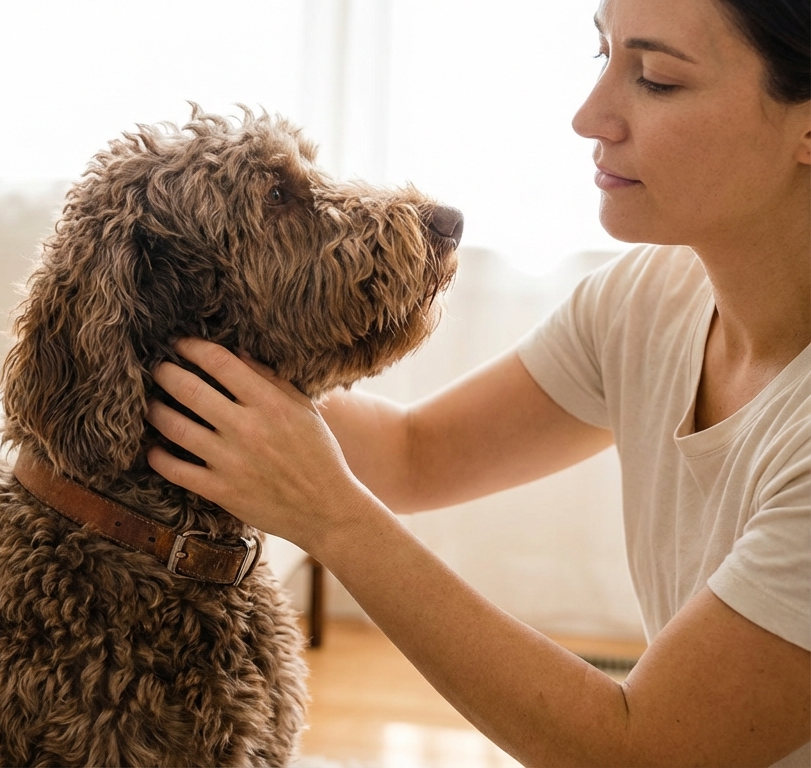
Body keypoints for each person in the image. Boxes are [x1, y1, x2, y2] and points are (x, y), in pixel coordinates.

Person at [144, 0, 811, 764]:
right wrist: (162, 350)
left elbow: (640, 750)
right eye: (604, 57)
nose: (589, 117)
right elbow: (413, 453)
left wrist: (333, 519)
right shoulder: (649, 299)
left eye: (657, 80)